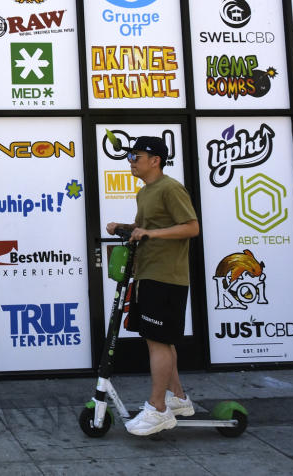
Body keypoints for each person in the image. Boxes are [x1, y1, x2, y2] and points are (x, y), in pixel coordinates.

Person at [105, 136, 199, 436]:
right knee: (158, 339)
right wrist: (124, 227)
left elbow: (191, 226)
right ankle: (179, 399)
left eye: (135, 156)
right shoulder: (146, 192)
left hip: (166, 277)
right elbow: (149, 229)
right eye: (129, 157)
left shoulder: (170, 188)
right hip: (148, 273)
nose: (131, 161)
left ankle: (158, 408)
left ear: (155, 159)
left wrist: (151, 235)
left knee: (158, 341)